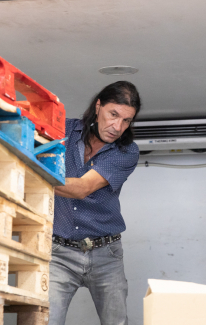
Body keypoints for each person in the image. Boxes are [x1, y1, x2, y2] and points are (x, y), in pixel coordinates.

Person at [48, 81, 141, 325]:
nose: (117, 126)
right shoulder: (62, 131)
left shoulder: (126, 151)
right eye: (114, 114)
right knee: (46, 320)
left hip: (106, 254)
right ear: (98, 106)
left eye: (126, 120)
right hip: (59, 253)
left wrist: (26, 174)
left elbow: (82, 188)